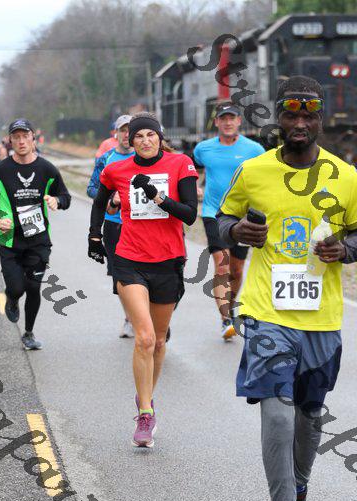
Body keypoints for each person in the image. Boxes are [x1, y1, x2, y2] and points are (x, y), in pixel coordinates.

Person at [217, 75, 357, 501]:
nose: (299, 123)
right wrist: (237, 231)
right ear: (277, 117)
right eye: (291, 114)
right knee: (277, 414)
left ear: (320, 120)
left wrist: (346, 249)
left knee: (308, 416)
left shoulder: (346, 176)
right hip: (266, 311)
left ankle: (299, 491)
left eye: (308, 115)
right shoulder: (254, 171)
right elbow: (221, 219)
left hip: (321, 317)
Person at [88, 112, 198, 447]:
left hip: (168, 260)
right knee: (145, 338)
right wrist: (94, 236)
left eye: (151, 135)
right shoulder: (116, 169)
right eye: (138, 136)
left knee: (160, 341)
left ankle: (145, 395)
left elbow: (190, 215)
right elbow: (99, 202)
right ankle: (146, 413)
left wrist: (157, 196)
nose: (145, 140)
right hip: (129, 259)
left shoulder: (180, 163)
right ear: (130, 140)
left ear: (160, 138)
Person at [0, 119, 71, 350]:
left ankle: (28, 333)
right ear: (10, 140)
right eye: (16, 137)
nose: (21, 141)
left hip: (38, 241)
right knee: (17, 288)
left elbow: (65, 197)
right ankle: (11, 298)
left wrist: (57, 200)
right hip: (10, 241)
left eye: (25, 136)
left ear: (33, 138)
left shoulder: (47, 169)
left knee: (33, 287)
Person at [193, 103, 264, 340]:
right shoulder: (203, 149)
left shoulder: (254, 149)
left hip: (242, 217)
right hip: (213, 213)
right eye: (223, 118)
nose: (227, 122)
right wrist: (194, 185)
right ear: (216, 122)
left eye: (231, 118)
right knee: (222, 265)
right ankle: (225, 320)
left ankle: (231, 308)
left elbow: (266, 176)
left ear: (239, 121)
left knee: (237, 269)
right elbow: (192, 170)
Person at [88, 114, 135, 338]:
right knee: (120, 277)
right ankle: (130, 318)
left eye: (130, 130)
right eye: (122, 130)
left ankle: (144, 315)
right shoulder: (106, 158)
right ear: (115, 133)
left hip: (141, 225)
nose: (127, 134)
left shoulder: (146, 157)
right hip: (114, 224)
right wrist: (109, 199)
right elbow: (91, 188)